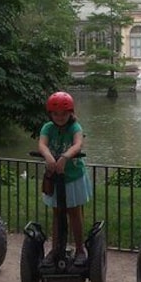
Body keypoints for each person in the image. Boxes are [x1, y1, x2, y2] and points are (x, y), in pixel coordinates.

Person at [38, 91, 92, 266]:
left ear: (71, 113)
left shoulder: (75, 127)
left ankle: (80, 249)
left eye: (64, 113)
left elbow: (78, 144)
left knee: (74, 213)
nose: (60, 117)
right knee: (57, 213)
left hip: (73, 177)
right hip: (55, 178)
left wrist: (65, 156)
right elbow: (42, 144)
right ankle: (56, 248)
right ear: (50, 114)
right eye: (56, 114)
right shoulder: (48, 127)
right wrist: (48, 157)